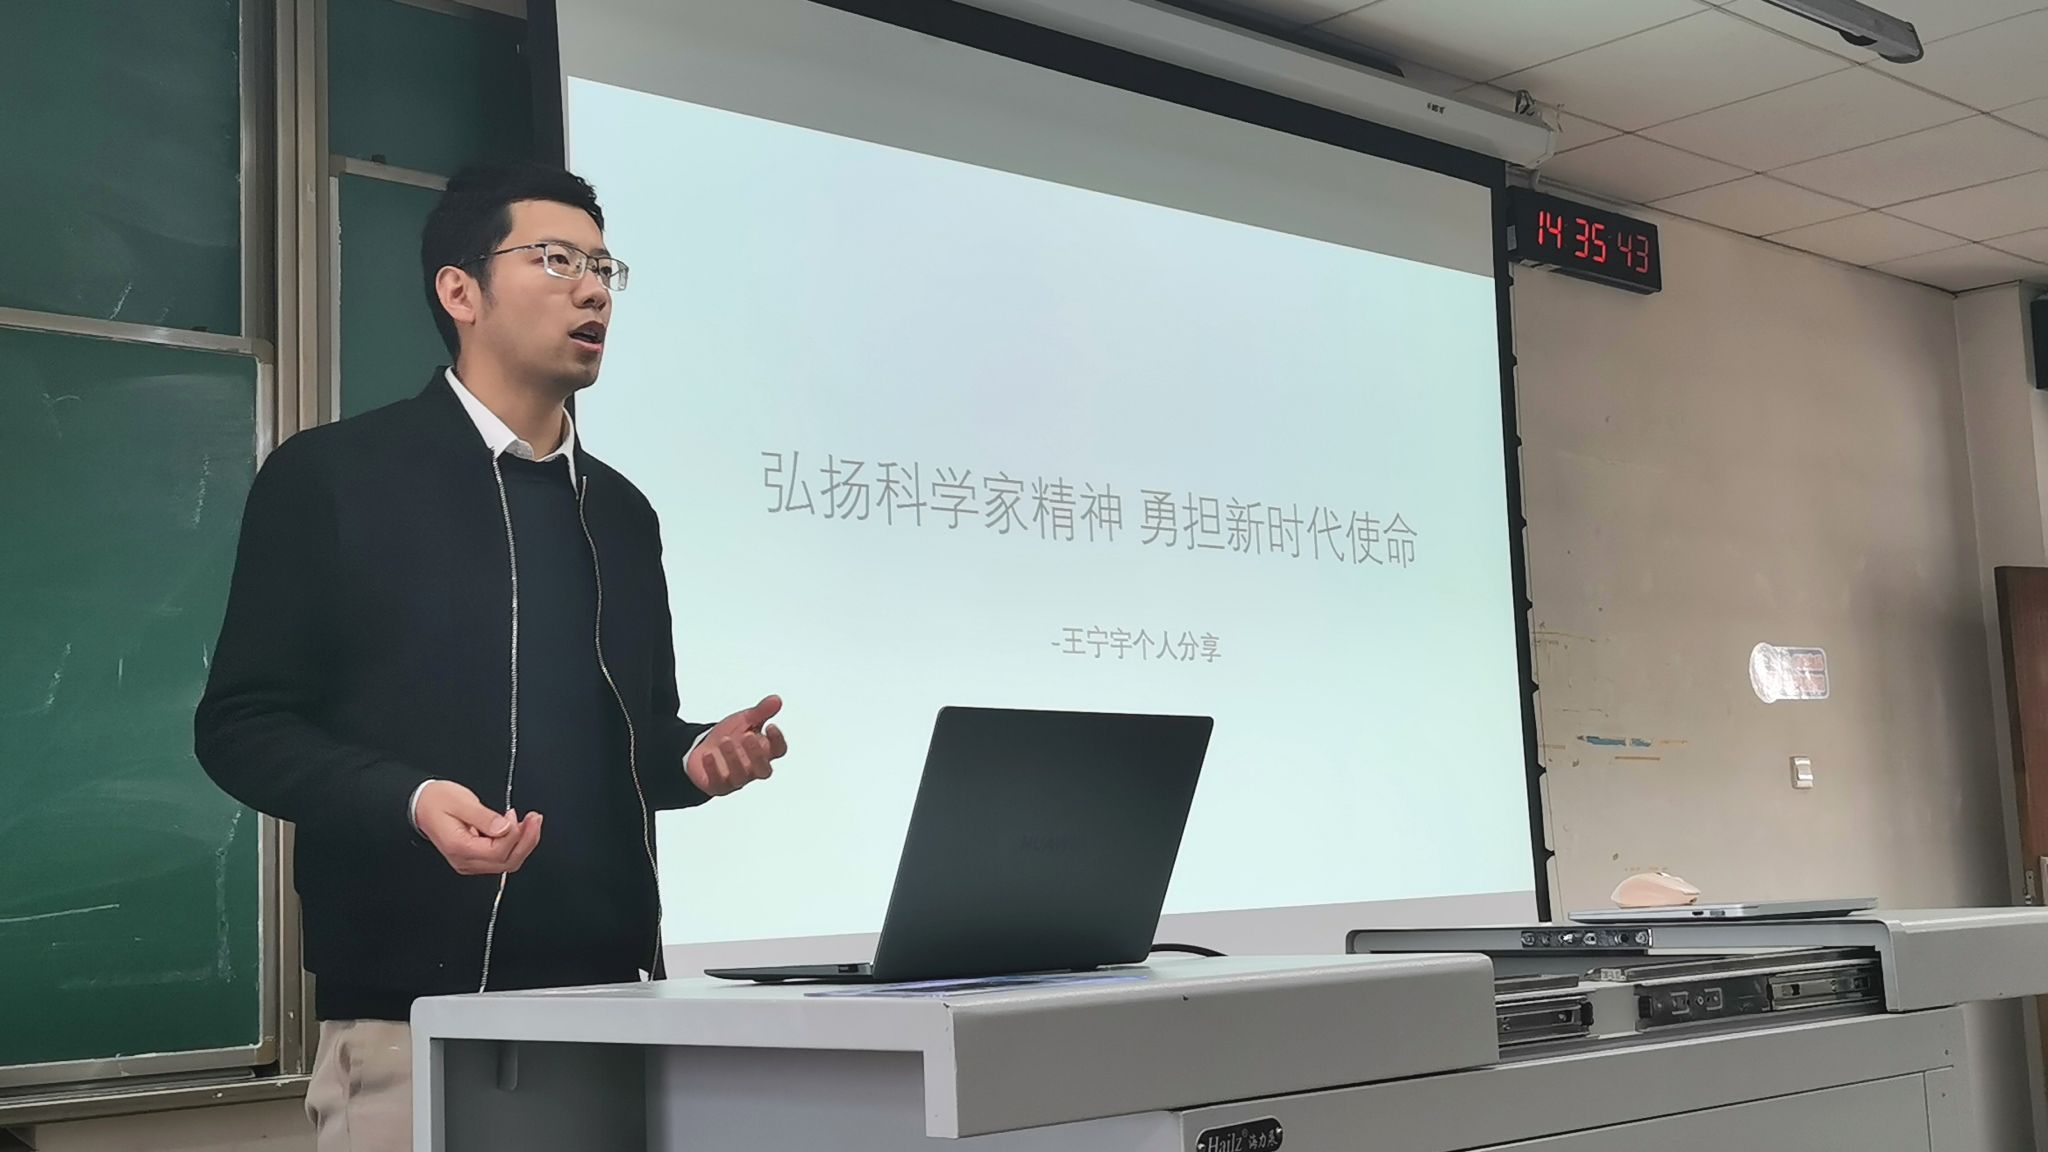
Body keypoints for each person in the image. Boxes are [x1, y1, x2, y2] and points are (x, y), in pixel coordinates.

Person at [194, 160, 788, 1151]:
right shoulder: (335, 477)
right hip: (410, 1020)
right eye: (556, 260)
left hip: (612, 1008)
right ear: (460, 291)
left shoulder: (620, 511)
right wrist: (411, 798)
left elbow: (631, 741)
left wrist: (691, 756)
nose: (593, 290)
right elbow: (242, 728)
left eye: (604, 268)